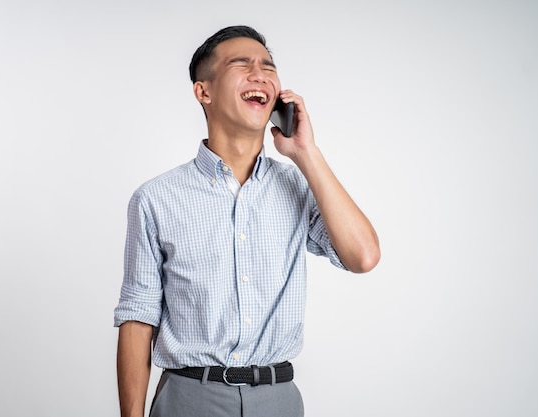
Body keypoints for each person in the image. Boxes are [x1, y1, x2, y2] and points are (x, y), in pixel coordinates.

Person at [114, 25, 380, 417]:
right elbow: (138, 319)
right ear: (203, 91)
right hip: (190, 397)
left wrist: (306, 153)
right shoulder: (156, 198)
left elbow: (363, 256)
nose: (261, 74)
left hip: (278, 399)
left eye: (268, 67)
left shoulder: (298, 186)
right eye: (243, 64)